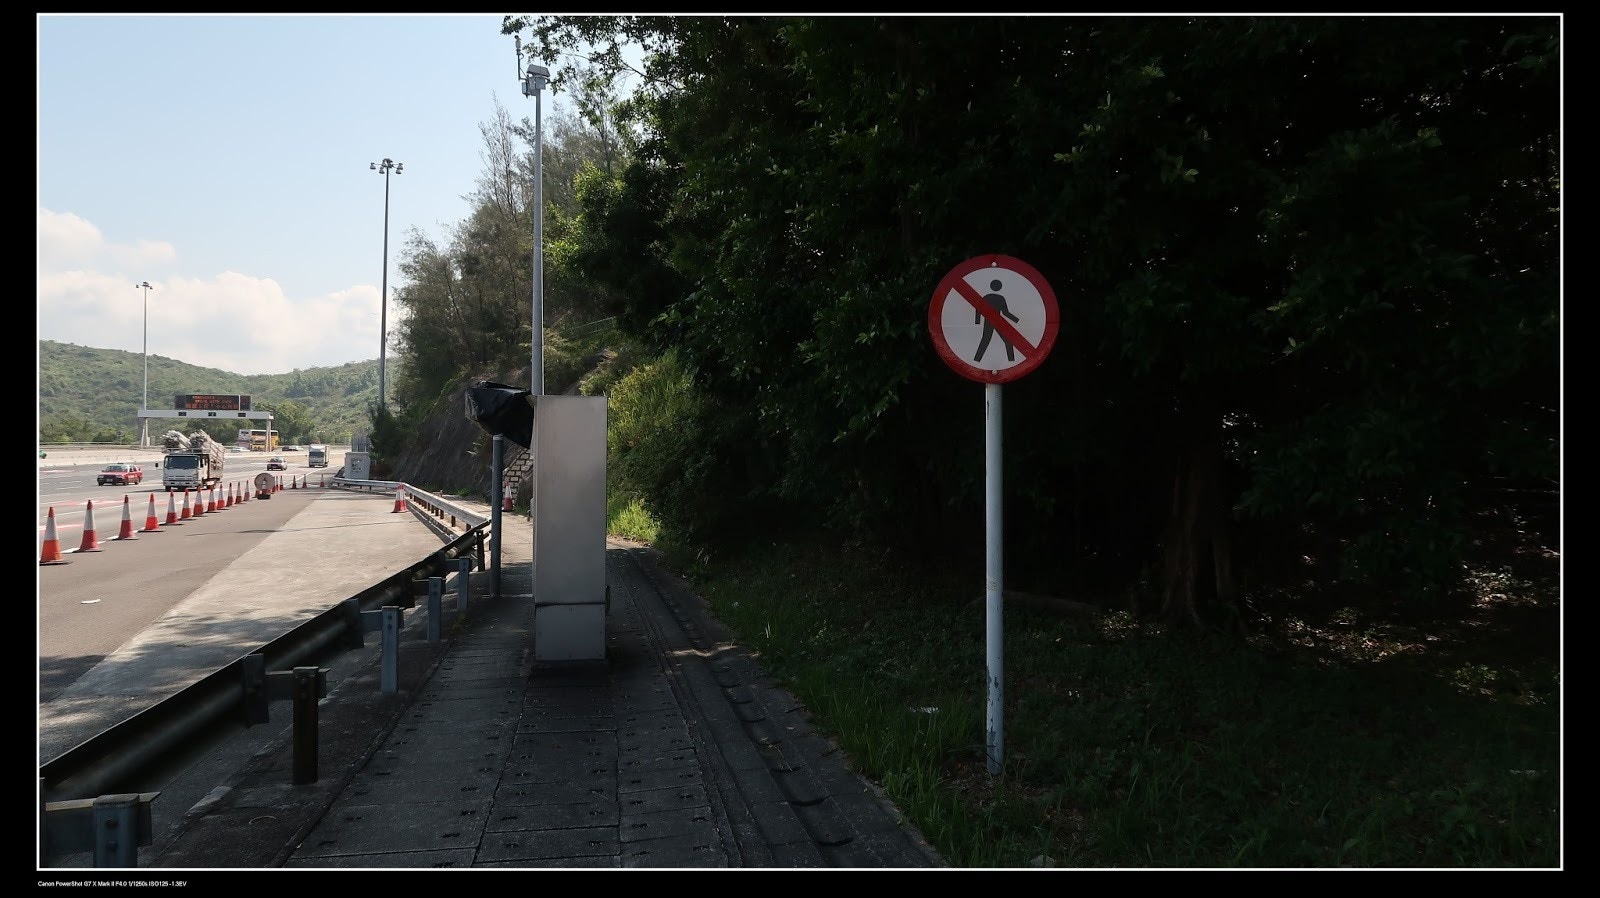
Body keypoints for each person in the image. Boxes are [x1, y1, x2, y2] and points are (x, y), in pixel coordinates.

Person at [974, 279, 1021, 363]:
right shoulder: (1000, 298)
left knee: (985, 340)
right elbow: (1006, 313)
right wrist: (1016, 320)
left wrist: (978, 321)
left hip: (989, 321)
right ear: (999, 287)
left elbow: (978, 309)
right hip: (997, 321)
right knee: (1007, 341)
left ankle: (977, 360)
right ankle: (1011, 361)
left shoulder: (986, 297)